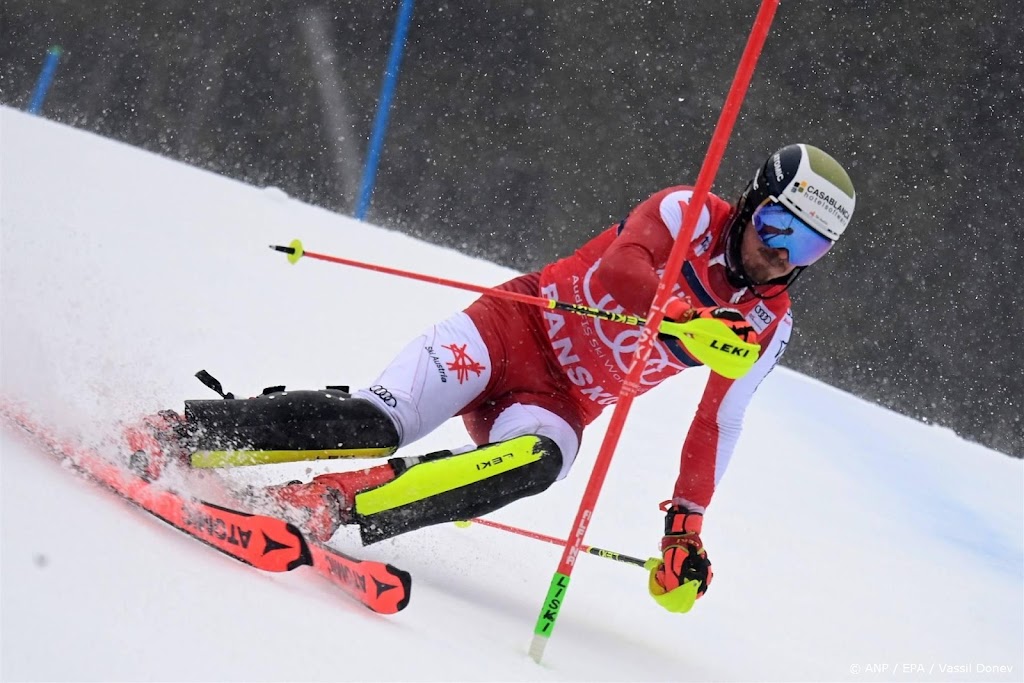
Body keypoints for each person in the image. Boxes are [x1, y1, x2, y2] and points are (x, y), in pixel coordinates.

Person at [130, 143, 855, 613]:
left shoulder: (769, 324)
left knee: (542, 461)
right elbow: (622, 270)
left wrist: (684, 530)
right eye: (778, 226)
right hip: (512, 331)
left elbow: (716, 422)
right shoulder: (686, 209)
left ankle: (324, 502)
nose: (780, 254)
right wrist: (678, 317)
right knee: (381, 420)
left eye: (810, 246)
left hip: (561, 401)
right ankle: (181, 433)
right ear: (753, 201)